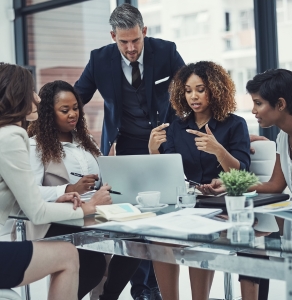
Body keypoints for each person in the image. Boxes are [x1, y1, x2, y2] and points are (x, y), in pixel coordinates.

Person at [74, 4, 185, 299]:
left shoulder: (167, 51)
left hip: (163, 140)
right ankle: (143, 288)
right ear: (113, 36)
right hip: (123, 146)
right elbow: (76, 98)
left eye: (136, 40)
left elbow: (191, 90)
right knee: (133, 217)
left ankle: (150, 288)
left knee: (160, 211)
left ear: (145, 31)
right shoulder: (99, 60)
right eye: (124, 42)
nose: (131, 48)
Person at [0, 63, 112, 299]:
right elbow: (37, 213)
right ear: (17, 95)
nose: (37, 99)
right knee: (68, 254)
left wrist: (60, 196)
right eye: (31, 91)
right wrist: (89, 208)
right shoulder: (12, 137)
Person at [27, 80, 141, 300]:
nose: (73, 114)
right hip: (57, 221)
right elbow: (30, 192)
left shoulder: (86, 141)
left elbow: (102, 179)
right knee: (93, 263)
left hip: (93, 214)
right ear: (49, 114)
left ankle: (107, 297)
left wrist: (113, 178)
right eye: (65, 110)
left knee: (138, 239)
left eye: (76, 108)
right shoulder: (36, 146)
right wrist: (69, 188)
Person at [148, 61, 250, 300]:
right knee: (158, 238)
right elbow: (170, 174)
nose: (193, 96)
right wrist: (153, 151)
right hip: (187, 204)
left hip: (223, 208)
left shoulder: (235, 125)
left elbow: (243, 174)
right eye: (188, 90)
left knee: (199, 237)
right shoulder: (176, 128)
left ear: (215, 89)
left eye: (200, 89)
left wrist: (219, 151)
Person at [199, 68, 292, 300]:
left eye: (258, 103)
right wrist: (231, 186)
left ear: (281, 104)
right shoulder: (283, 137)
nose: (253, 111)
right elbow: (275, 184)